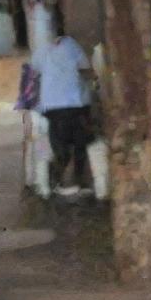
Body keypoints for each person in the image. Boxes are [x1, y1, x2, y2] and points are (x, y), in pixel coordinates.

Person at [29, 24, 95, 192]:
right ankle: (77, 180)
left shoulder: (41, 49)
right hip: (74, 105)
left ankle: (60, 182)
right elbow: (86, 70)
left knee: (60, 145)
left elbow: (33, 72)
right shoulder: (72, 45)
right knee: (81, 143)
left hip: (51, 107)